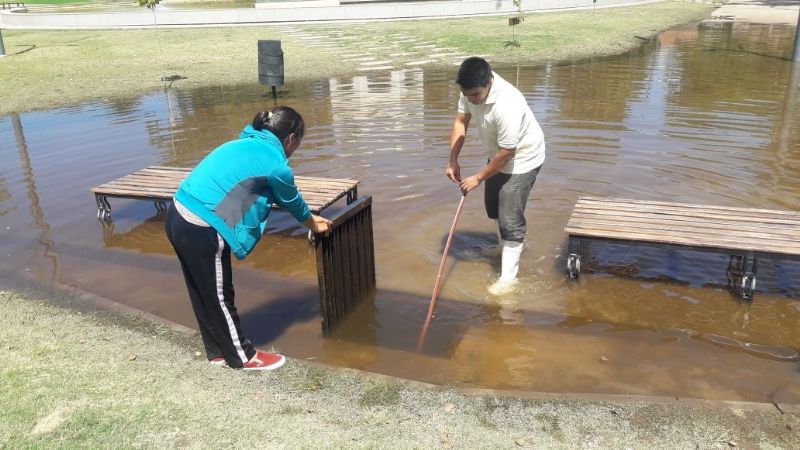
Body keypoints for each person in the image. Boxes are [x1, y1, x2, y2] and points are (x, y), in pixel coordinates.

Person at [165, 106, 332, 370]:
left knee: (202, 291)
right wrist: (312, 222)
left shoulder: (241, 143)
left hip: (177, 212)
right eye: (299, 141)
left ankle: (217, 352)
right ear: (291, 139)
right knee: (220, 295)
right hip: (202, 225)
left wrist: (309, 218)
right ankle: (243, 357)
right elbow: (291, 199)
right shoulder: (277, 165)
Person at [446, 57, 545, 295]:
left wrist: (478, 178)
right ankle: (505, 247)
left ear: (489, 83)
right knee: (493, 209)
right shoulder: (470, 90)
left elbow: (508, 152)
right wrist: (452, 160)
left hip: (523, 159)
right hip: (497, 154)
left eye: (476, 95)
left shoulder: (508, 103)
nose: (471, 100)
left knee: (510, 217)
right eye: (467, 95)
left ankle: (508, 280)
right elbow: (461, 121)